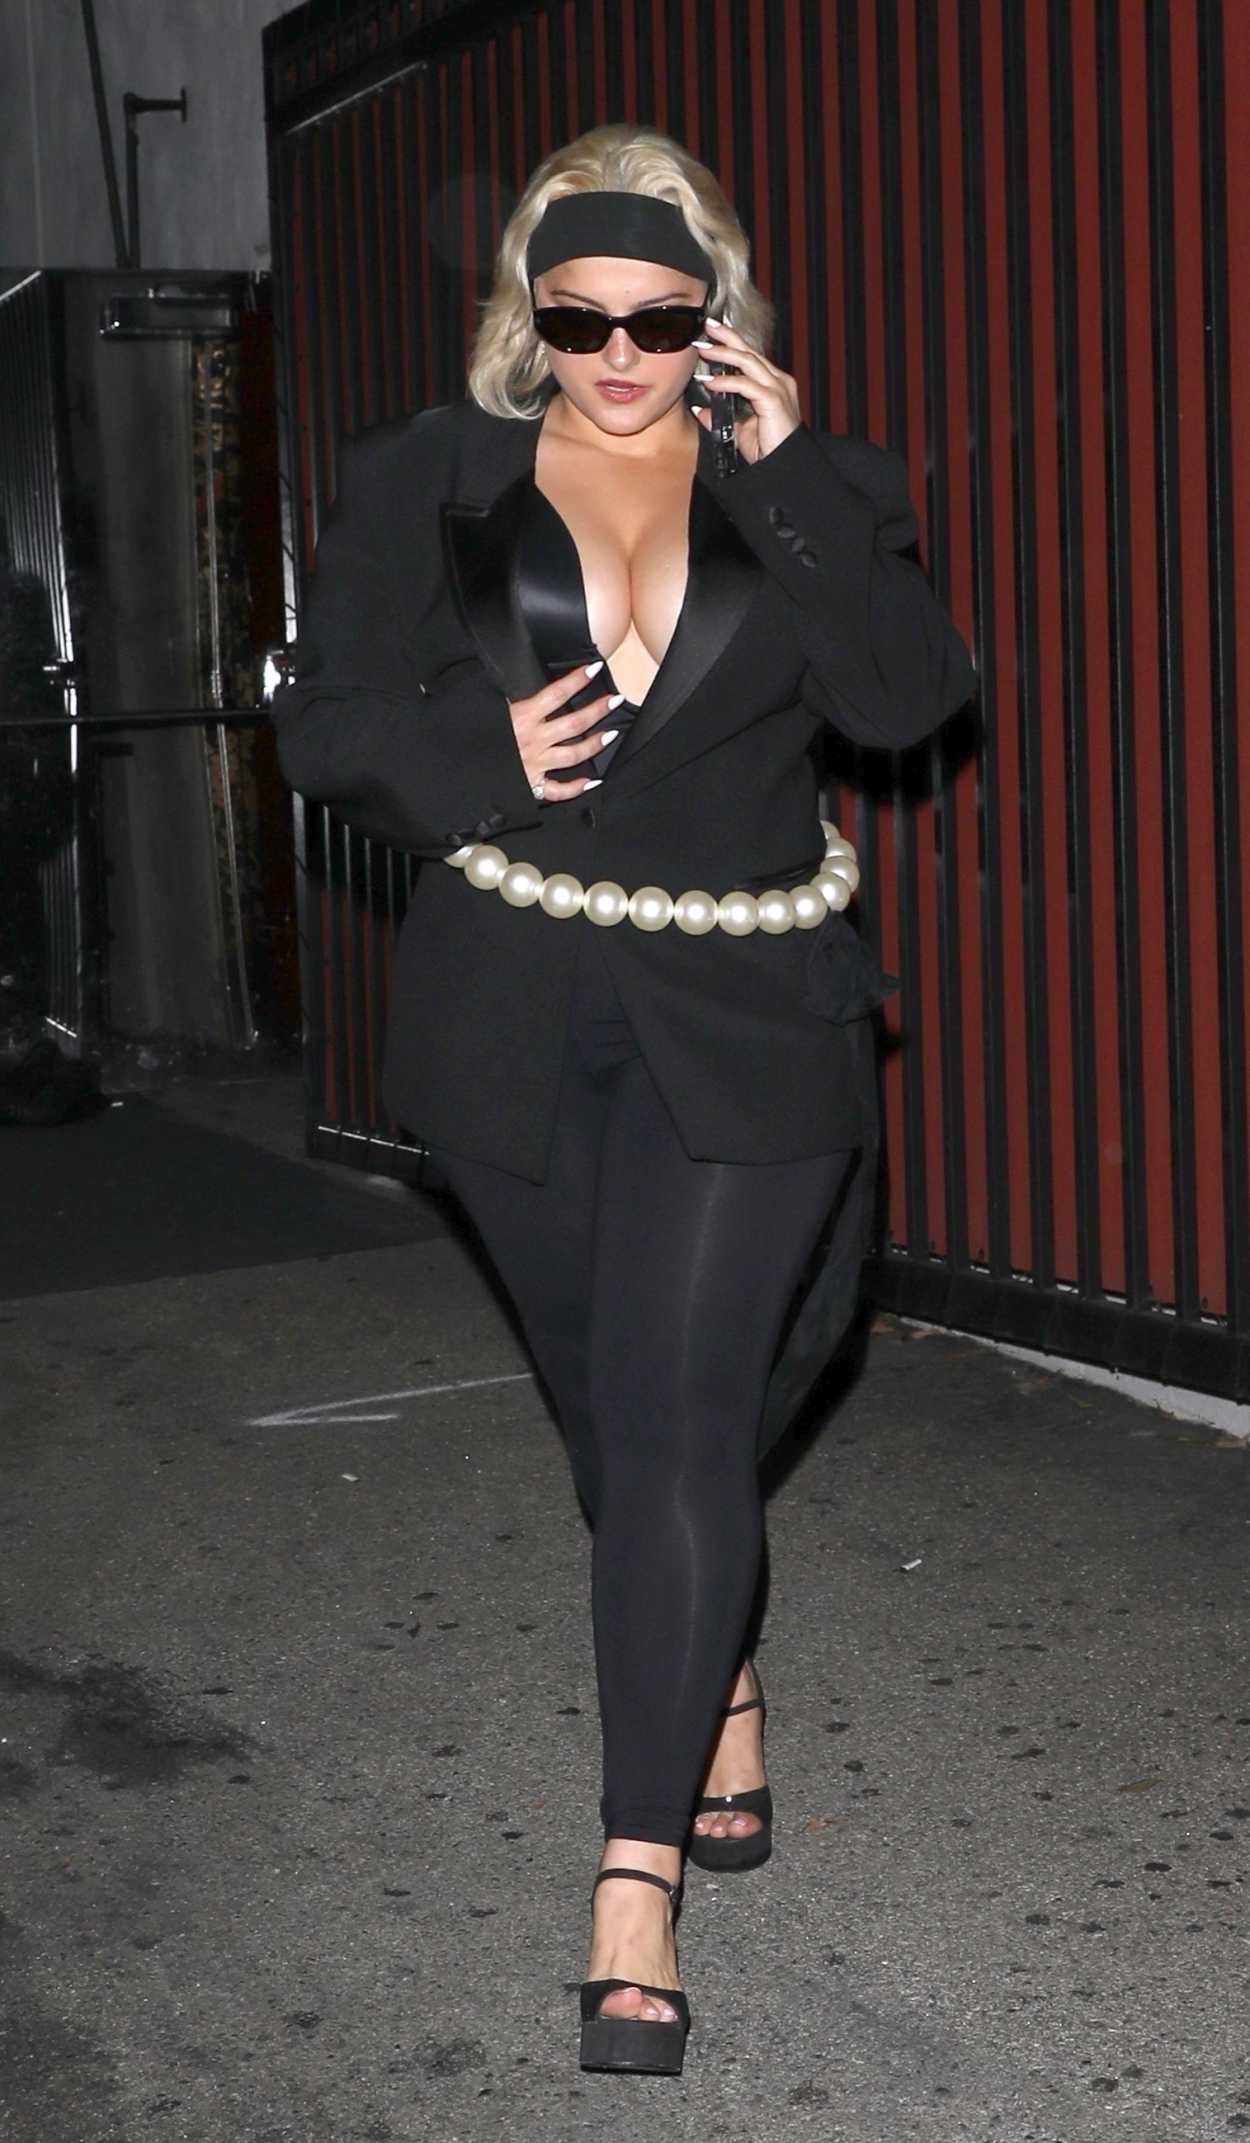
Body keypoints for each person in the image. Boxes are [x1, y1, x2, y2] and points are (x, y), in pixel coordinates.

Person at [271, 122, 977, 2077]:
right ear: (530, 304)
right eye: (576, 315)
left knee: (676, 1412)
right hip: (508, 1005)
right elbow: (322, 725)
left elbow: (906, 701)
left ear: (713, 309)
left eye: (657, 318)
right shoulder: (431, 475)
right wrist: (475, 750)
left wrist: (793, 479)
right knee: (617, 1410)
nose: (615, 356)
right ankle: (711, 1660)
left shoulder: (808, 483)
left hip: (747, 1004)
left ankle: (629, 1881)